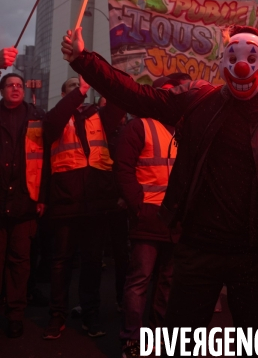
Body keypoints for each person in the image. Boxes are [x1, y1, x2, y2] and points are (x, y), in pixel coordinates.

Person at [61, 24, 258, 354]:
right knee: (182, 344)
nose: (242, 66)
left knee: (255, 347)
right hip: (197, 251)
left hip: (256, 257)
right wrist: (83, 59)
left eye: (251, 57)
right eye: (233, 57)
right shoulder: (197, 103)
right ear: (222, 62)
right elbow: (138, 95)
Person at [42, 76, 124, 340]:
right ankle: (57, 315)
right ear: (64, 94)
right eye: (72, 90)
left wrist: (110, 80)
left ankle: (90, 313)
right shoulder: (54, 118)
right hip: (66, 201)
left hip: (96, 203)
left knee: (91, 262)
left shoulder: (99, 117)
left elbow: (120, 104)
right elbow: (54, 122)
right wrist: (79, 92)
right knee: (61, 263)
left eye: (80, 90)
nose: (79, 94)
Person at [117, 73, 191, 358]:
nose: (173, 99)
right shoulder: (138, 127)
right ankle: (132, 342)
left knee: (167, 283)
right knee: (139, 281)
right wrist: (138, 206)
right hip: (148, 217)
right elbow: (123, 170)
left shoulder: (184, 130)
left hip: (175, 221)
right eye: (168, 94)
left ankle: (158, 336)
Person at [0, 73, 47, 338]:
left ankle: (15, 314)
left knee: (20, 263)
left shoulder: (36, 117)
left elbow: (46, 160)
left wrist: (42, 197)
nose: (16, 89)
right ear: (2, 90)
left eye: (19, 85)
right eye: (11, 85)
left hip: (25, 201)